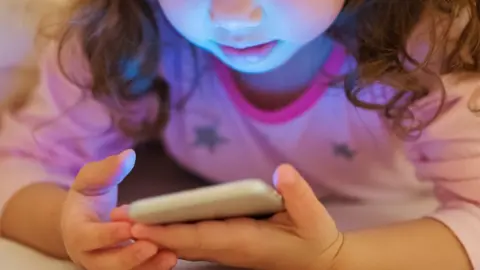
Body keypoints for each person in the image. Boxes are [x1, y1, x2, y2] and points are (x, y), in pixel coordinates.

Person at [0, 0, 479, 269]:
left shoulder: (431, 43)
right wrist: (68, 231)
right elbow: (15, 166)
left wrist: (339, 259)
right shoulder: (124, 32)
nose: (232, 15)